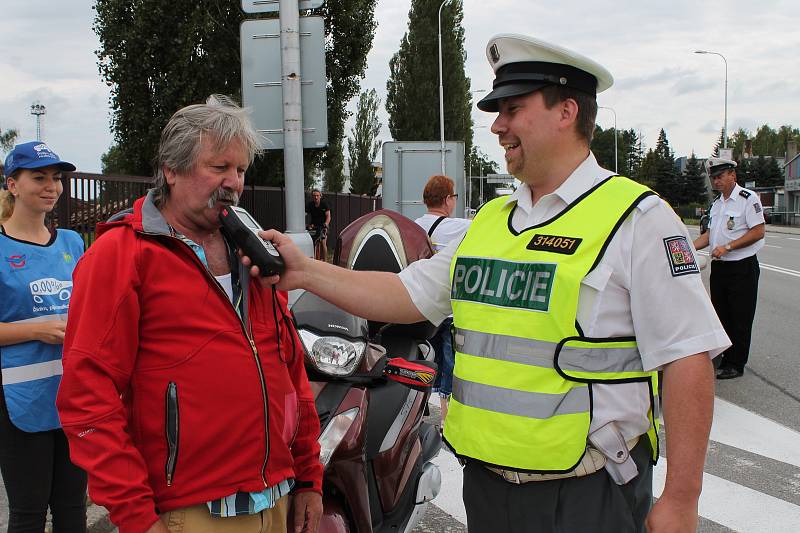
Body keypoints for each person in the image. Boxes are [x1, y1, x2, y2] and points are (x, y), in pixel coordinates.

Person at [245, 34, 732, 532]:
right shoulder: (492, 220)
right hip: (487, 486)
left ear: (566, 111)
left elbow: (687, 357)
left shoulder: (638, 218)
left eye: (512, 109)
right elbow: (406, 295)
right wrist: (304, 272)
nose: (498, 125)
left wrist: (681, 497)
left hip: (587, 492)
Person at [56, 96, 323, 533]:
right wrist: (136, 517)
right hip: (191, 513)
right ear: (172, 170)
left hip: (278, 498)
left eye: (239, 170)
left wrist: (309, 473)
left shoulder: (255, 253)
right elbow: (87, 396)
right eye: (219, 167)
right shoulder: (122, 255)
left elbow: (289, 370)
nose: (233, 183)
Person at [0, 142, 87, 531]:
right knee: (29, 511)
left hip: (74, 395)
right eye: (39, 177)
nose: (51, 186)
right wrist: (37, 329)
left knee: (73, 508)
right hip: (18, 400)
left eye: (56, 178)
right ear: (12, 185)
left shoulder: (72, 243)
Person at [693, 157, 765, 380]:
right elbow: (710, 235)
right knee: (720, 314)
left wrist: (729, 246)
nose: (716, 181)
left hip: (742, 267)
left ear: (732, 175)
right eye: (713, 177)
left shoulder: (747, 199)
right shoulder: (717, 204)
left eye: (720, 176)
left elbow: (758, 231)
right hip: (721, 269)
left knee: (740, 316)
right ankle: (724, 357)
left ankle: (736, 363)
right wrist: (686, 247)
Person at [413, 175, 470, 424]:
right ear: (447, 199)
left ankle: (418, 410)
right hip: (448, 311)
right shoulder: (460, 227)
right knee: (450, 365)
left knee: (424, 359)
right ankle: (447, 419)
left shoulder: (413, 226)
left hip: (420, 308)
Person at [305, 189, 330, 261]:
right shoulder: (310, 205)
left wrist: (326, 224)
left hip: (323, 225)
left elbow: (328, 216)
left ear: (320, 196)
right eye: (314, 196)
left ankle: (325, 261)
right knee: (310, 241)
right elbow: (305, 214)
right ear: (312, 197)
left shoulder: (324, 204)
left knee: (323, 242)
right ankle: (312, 258)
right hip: (313, 225)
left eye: (317, 195)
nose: (316, 197)